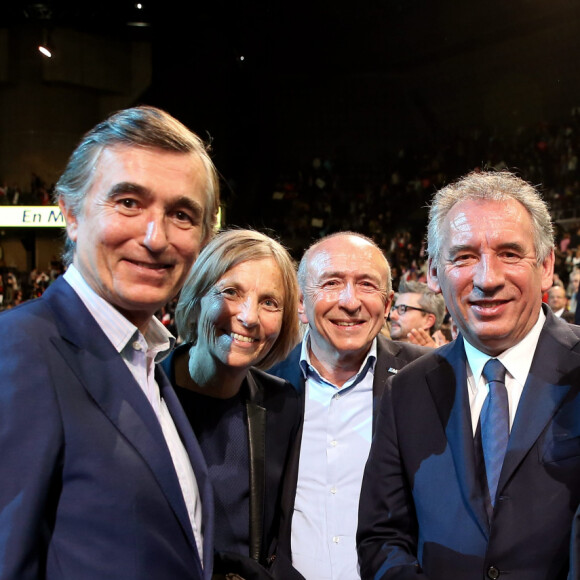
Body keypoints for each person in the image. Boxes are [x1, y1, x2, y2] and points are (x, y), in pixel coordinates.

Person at [0, 105, 220, 580]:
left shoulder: (147, 358)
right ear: (72, 213)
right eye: (128, 203)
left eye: (181, 215)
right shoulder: (21, 349)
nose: (155, 237)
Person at [357, 170, 580, 580]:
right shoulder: (405, 390)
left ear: (546, 266)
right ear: (434, 273)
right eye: (463, 256)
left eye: (510, 253)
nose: (487, 278)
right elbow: (382, 537)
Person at [268, 231, 429, 580]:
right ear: (300, 303)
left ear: (387, 305)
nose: (350, 301)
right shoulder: (261, 385)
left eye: (367, 285)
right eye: (331, 282)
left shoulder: (428, 378)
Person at [162, 229, 304, 580]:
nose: (249, 316)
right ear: (196, 298)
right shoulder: (143, 390)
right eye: (231, 292)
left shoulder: (283, 405)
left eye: (269, 302)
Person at [389, 279, 446, 346]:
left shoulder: (441, 356)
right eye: (394, 309)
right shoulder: (379, 353)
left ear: (428, 321)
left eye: (402, 309)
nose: (392, 315)